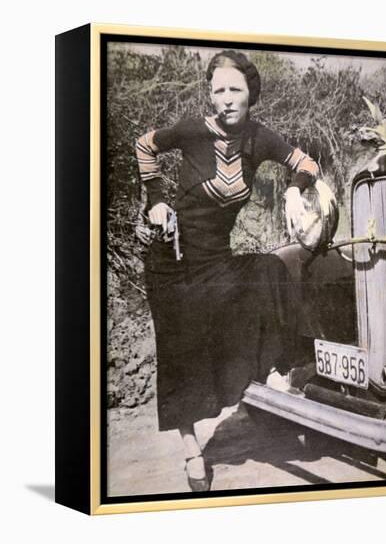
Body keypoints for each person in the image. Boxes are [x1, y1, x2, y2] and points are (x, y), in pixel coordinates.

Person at [135, 50, 319, 492]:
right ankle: (190, 449)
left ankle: (276, 374)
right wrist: (156, 197)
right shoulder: (193, 129)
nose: (226, 99)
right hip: (172, 261)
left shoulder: (259, 137)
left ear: (251, 94)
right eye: (218, 90)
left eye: (235, 89)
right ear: (210, 95)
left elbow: (307, 163)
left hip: (215, 259)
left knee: (270, 269)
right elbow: (145, 144)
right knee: (182, 355)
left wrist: (294, 191)